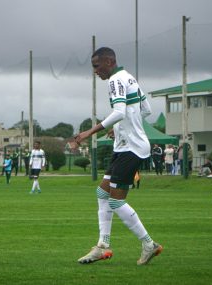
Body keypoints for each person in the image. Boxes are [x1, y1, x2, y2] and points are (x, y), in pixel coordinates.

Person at [73, 47, 162, 266]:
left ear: (109, 62)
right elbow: (146, 109)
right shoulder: (129, 77)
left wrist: (89, 132)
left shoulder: (114, 81)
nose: (95, 71)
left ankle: (149, 244)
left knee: (115, 201)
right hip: (124, 146)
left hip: (131, 148)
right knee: (102, 192)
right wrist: (120, 127)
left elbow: (120, 112)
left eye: (96, 66)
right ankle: (102, 246)